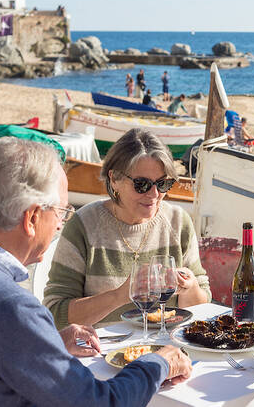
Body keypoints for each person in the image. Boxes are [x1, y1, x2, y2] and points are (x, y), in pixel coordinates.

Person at [0, 137, 192, 406]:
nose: (61, 224)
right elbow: (100, 403)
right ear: (32, 218)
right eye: (60, 211)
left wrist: (50, 343)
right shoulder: (8, 307)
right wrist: (158, 363)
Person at [44, 128, 211, 328]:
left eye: (162, 184)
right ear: (114, 179)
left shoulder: (178, 222)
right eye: (142, 184)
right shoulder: (84, 225)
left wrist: (190, 287)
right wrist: (119, 296)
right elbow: (55, 314)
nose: (154, 194)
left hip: (166, 349)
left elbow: (201, 308)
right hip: (99, 351)